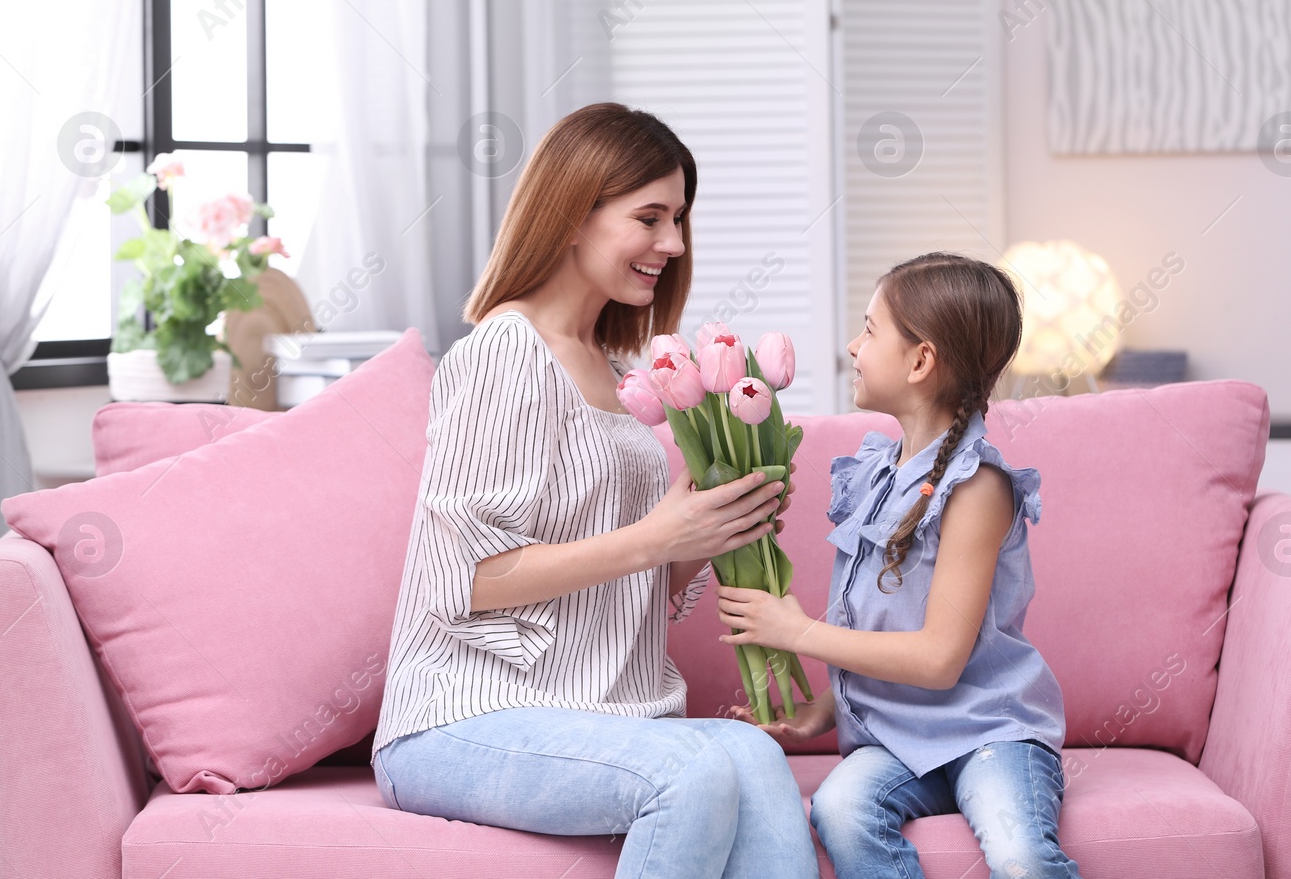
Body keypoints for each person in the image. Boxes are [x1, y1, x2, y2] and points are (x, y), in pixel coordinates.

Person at [371, 102, 819, 879]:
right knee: (691, 769)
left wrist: (711, 530)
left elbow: (630, 580)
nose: (672, 243)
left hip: (598, 714)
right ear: (574, 213)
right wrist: (658, 537)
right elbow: (467, 578)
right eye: (649, 217)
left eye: (679, 219)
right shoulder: (505, 352)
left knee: (748, 751)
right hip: (460, 718)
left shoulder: (617, 373)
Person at [714, 252, 1083, 879]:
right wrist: (822, 713)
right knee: (839, 808)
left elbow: (938, 661)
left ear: (921, 360)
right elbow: (881, 628)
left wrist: (796, 632)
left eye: (870, 328)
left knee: (1020, 852)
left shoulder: (977, 487)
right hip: (893, 742)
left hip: (989, 732)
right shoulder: (877, 476)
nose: (854, 345)